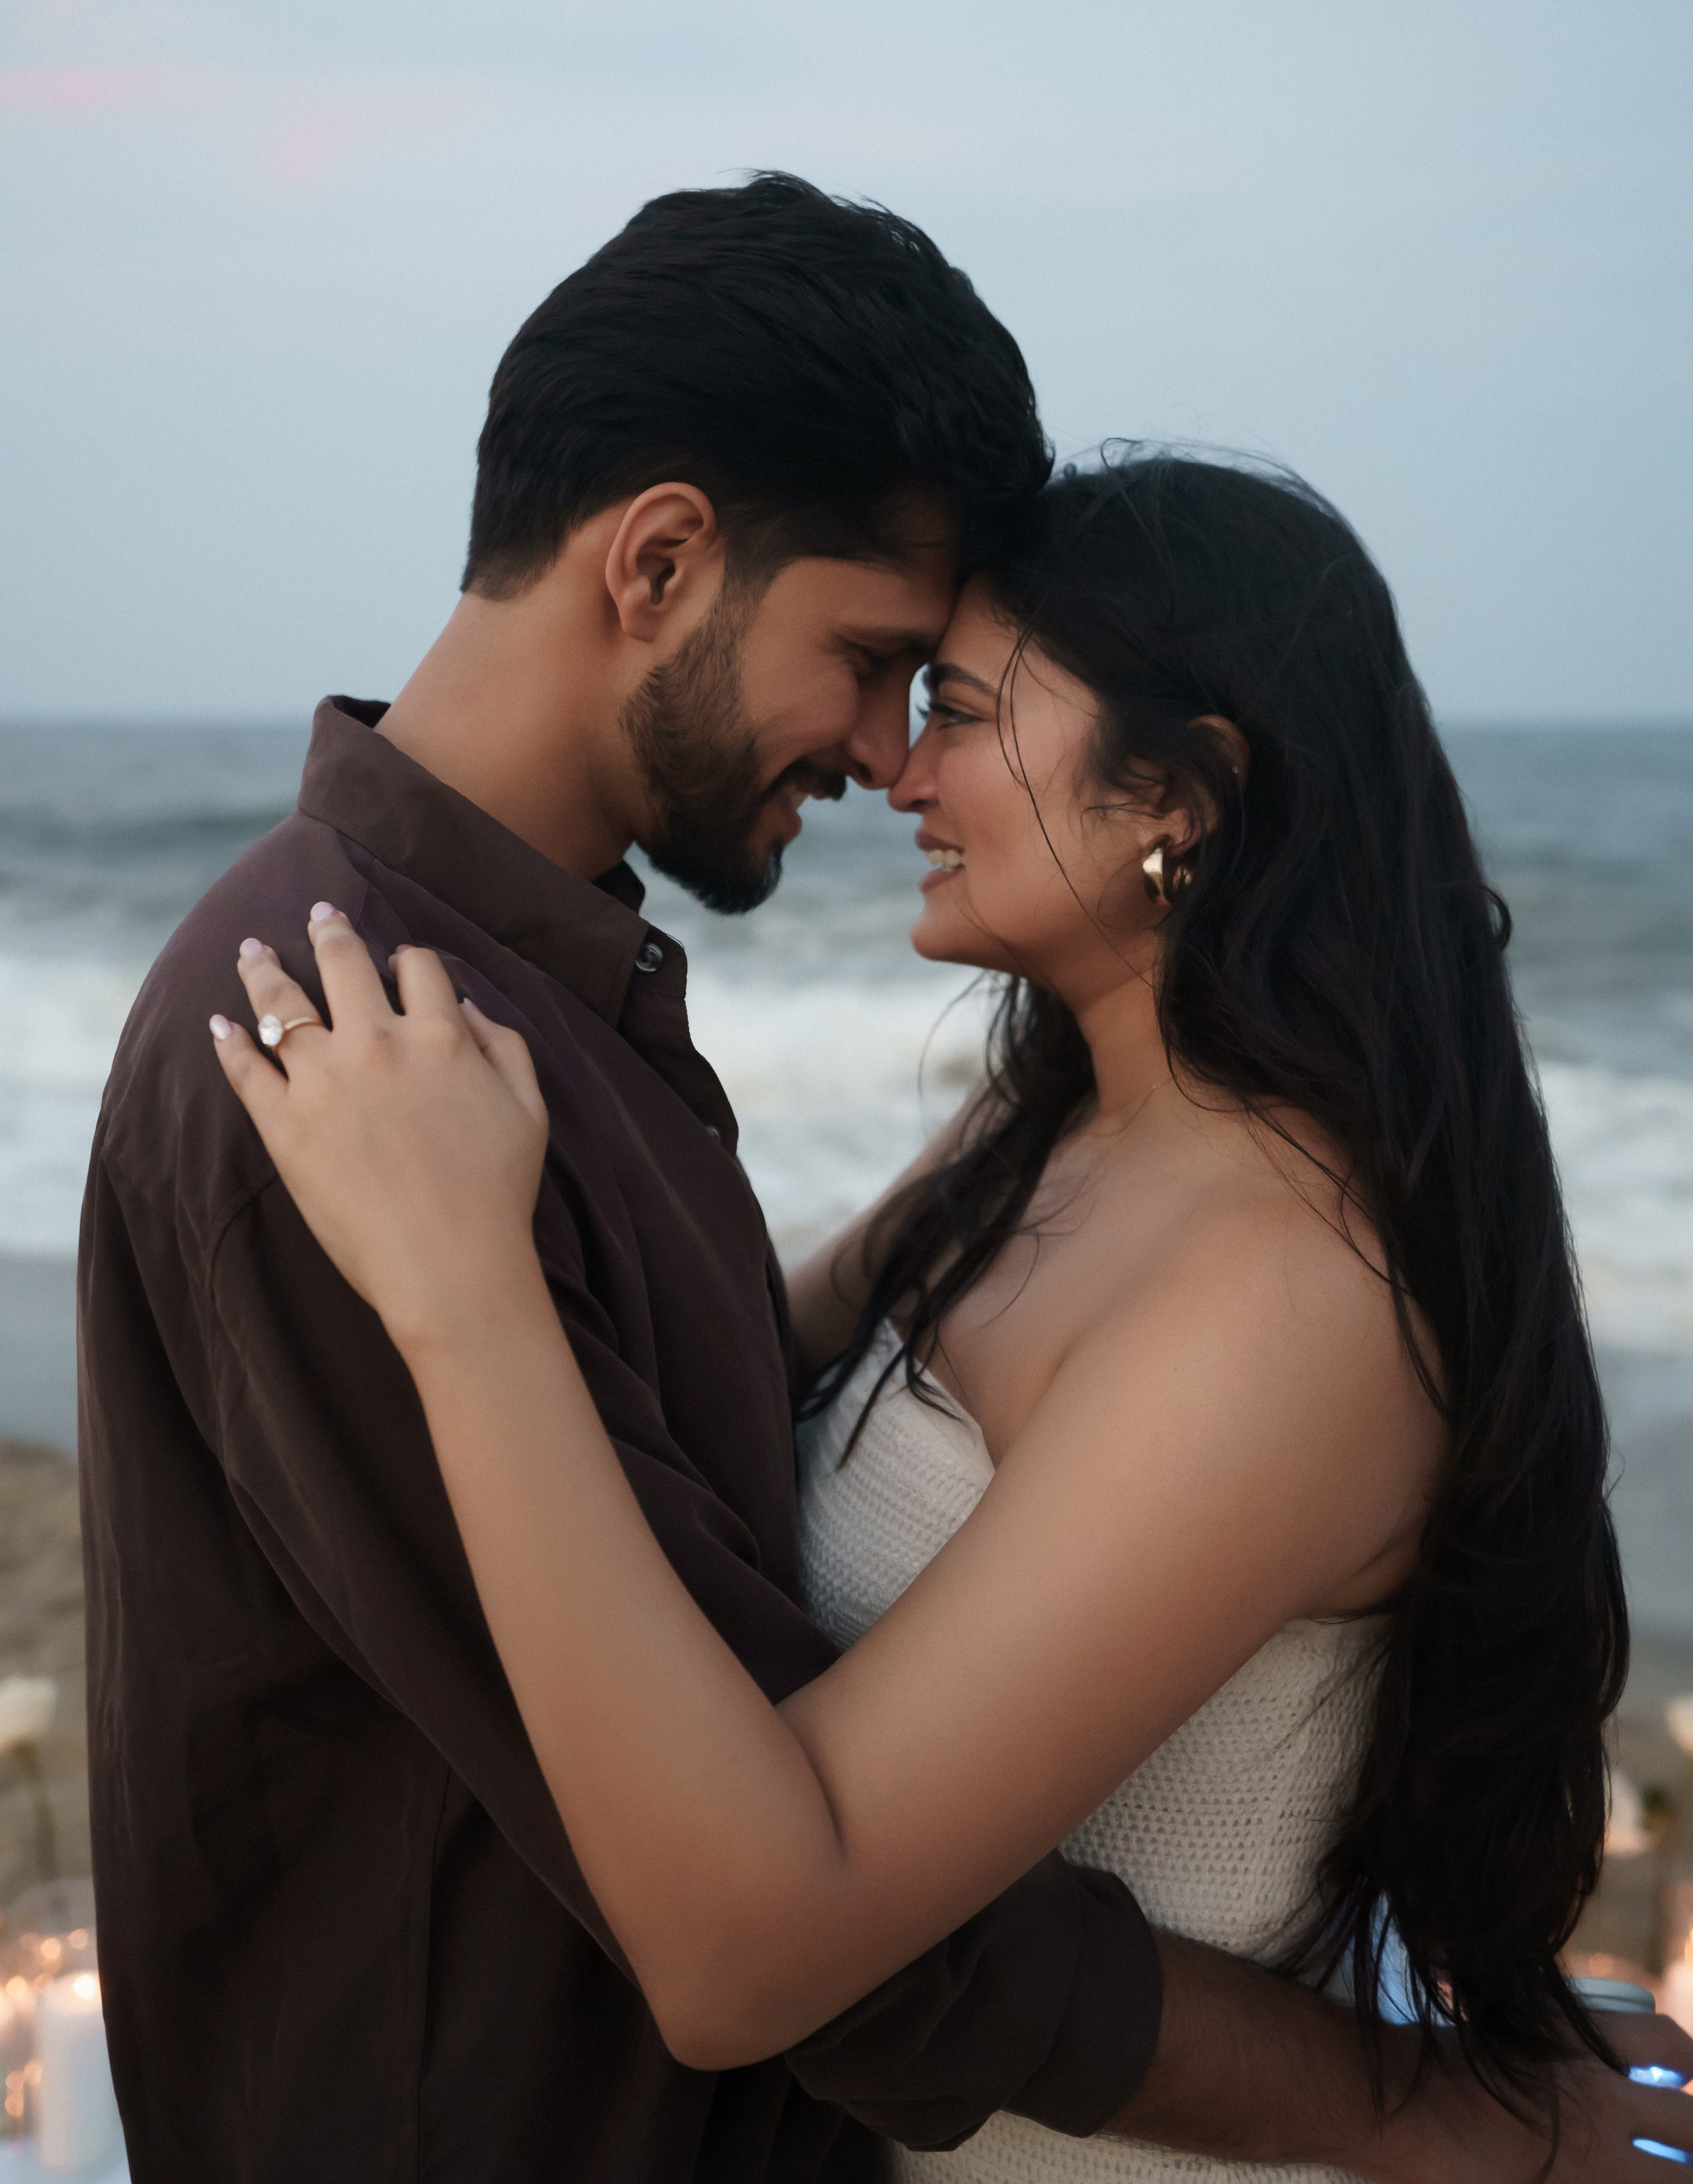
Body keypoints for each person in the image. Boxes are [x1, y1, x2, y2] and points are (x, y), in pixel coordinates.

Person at [212, 446, 1693, 2181]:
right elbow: (717, 1392)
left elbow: (750, 1950)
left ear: (1182, 799)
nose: (901, 771)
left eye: (969, 713)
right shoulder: (1046, 1132)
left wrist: (469, 1297)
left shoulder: (1293, 1299)